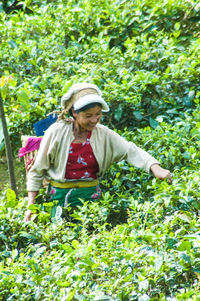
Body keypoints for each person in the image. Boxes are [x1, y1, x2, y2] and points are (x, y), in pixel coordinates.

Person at [24, 83, 172, 222]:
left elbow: (130, 150)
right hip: (59, 199)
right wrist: (31, 207)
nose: (95, 120)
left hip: (91, 201)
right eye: (88, 116)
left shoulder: (103, 134)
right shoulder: (56, 132)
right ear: (74, 112)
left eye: (98, 114)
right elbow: (37, 170)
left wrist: (155, 167)